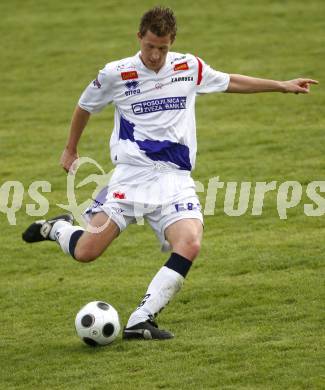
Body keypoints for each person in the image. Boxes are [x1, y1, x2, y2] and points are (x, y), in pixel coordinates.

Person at [22, 6, 318, 340]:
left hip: (174, 179)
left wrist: (281, 85)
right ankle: (57, 228)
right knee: (86, 252)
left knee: (189, 243)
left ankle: (140, 319)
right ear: (139, 38)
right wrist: (70, 148)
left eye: (162, 48)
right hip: (130, 177)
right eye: (150, 46)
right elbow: (85, 106)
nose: (155, 55)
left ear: (171, 42)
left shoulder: (186, 66)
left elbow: (230, 81)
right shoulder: (116, 73)